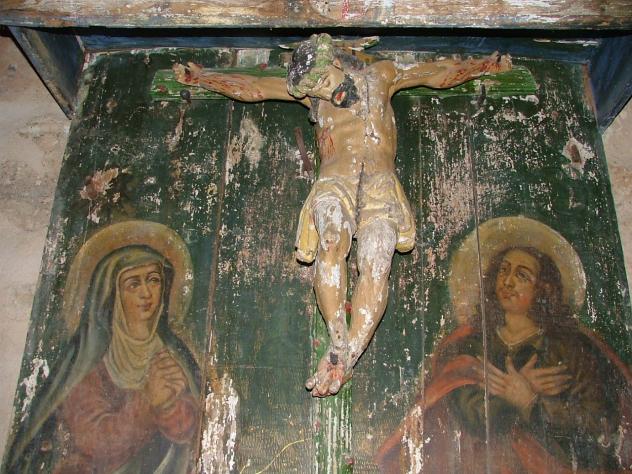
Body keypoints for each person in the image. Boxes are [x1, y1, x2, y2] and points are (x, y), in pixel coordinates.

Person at [173, 33, 512, 397]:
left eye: (323, 82)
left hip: (381, 184)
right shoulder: (312, 96)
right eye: (313, 89)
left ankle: (345, 357)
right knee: (331, 242)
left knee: (377, 263)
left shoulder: (382, 76)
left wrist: (482, 65)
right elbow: (254, 88)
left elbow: (435, 73)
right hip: (336, 180)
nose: (321, 92)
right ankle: (337, 342)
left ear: (334, 61)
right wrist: (203, 78)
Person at [376, 217, 632, 472]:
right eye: (504, 270)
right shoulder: (469, 346)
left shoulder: (573, 349)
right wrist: (515, 395)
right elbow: (470, 414)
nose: (508, 282)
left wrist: (531, 402)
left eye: (522, 275)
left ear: (543, 288)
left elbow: (598, 426)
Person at [4, 223, 200, 473]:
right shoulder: (87, 363)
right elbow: (93, 441)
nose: (146, 293)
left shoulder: (175, 355)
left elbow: (194, 432)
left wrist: (172, 407)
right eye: (133, 284)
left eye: (153, 280)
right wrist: (148, 401)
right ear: (112, 294)